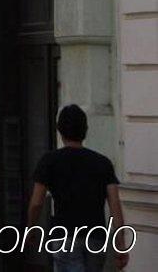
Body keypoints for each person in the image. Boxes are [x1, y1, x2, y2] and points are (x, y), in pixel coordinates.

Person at [28, 104, 127, 271]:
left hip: (65, 236)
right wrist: (121, 245)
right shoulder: (103, 163)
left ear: (60, 131)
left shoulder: (50, 161)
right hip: (96, 238)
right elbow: (115, 205)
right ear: (85, 130)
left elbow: (37, 202)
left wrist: (30, 229)